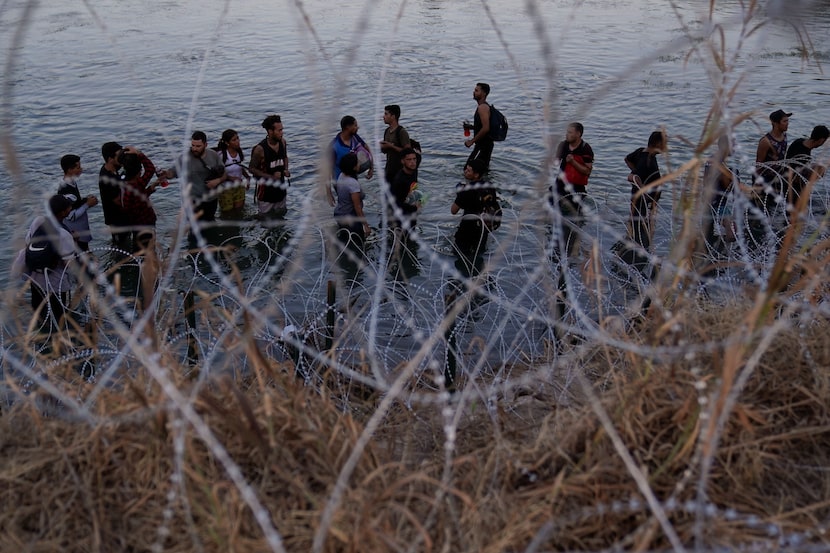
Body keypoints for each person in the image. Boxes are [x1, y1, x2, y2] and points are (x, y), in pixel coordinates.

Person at [11, 194, 76, 334]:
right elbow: (68, 264)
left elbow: (29, 243)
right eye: (68, 206)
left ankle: (41, 339)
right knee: (59, 317)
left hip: (36, 280)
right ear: (64, 212)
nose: (70, 208)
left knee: (39, 314)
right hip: (55, 284)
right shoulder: (64, 234)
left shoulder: (38, 221)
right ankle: (57, 344)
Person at [160, 131, 226, 222]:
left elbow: (225, 173)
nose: (194, 149)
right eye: (193, 145)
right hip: (192, 200)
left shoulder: (213, 155)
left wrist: (218, 181)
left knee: (210, 223)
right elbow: (173, 172)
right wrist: (166, 174)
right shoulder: (184, 158)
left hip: (211, 199)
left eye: (198, 146)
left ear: (206, 145)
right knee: (194, 228)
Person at [552, 122, 594, 257]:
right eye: (567, 132)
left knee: (574, 217)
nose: (567, 134)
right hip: (560, 185)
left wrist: (573, 162)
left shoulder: (586, 149)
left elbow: (587, 171)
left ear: (578, 134)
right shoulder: (563, 145)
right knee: (555, 212)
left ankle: (572, 240)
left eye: (570, 132)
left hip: (576, 188)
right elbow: (556, 162)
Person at [451, 159, 497, 275]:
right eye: (466, 168)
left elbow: (453, 210)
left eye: (469, 170)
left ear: (476, 174)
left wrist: (459, 194)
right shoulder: (489, 186)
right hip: (482, 230)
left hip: (466, 230)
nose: (465, 171)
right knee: (478, 256)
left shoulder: (466, 190)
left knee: (459, 257)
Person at [625, 130, 665, 250]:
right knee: (641, 233)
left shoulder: (641, 152)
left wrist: (635, 170)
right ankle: (637, 254)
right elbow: (632, 177)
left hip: (640, 201)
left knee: (635, 226)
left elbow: (627, 159)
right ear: (657, 144)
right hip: (643, 202)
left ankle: (632, 246)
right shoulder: (647, 162)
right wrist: (644, 189)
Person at [702, 134, 739, 260]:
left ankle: (713, 256)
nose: (735, 148)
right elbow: (730, 186)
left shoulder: (712, 159)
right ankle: (721, 258)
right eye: (732, 145)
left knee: (707, 238)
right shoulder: (721, 165)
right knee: (732, 234)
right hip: (718, 204)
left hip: (709, 203)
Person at [117, 148, 159, 253]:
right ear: (138, 172)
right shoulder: (137, 184)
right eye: (140, 169)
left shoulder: (124, 183)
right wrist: (139, 153)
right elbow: (150, 169)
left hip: (135, 224)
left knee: (138, 249)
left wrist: (149, 190)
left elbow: (135, 201)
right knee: (148, 251)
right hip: (145, 223)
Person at [249, 115, 290, 218]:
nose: (282, 133)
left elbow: (285, 157)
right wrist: (271, 176)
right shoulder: (260, 149)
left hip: (281, 190)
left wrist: (285, 169)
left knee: (281, 217)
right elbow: (251, 169)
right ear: (270, 131)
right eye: (279, 130)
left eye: (282, 130)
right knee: (265, 220)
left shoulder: (283, 142)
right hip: (265, 194)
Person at [58, 154, 98, 251]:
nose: (81, 169)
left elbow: (75, 204)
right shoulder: (65, 189)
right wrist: (87, 204)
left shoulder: (71, 183)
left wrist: (85, 200)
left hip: (80, 233)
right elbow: (70, 216)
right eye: (78, 167)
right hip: (76, 234)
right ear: (69, 170)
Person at [754, 109, 791, 211]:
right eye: (785, 121)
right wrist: (757, 185)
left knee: (774, 208)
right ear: (775, 123)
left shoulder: (784, 136)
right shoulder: (766, 141)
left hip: (778, 177)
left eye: (788, 121)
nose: (787, 124)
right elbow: (759, 163)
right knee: (762, 208)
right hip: (765, 179)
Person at [333, 152, 371, 249]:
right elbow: (357, 207)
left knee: (345, 241)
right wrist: (366, 225)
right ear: (353, 167)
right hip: (350, 218)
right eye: (357, 163)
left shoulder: (341, 175)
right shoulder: (352, 184)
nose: (359, 164)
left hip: (339, 213)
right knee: (358, 245)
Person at [786, 124, 829, 206]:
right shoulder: (804, 155)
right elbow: (797, 178)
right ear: (821, 140)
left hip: (787, 179)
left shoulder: (799, 141)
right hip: (792, 187)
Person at [99, 141, 131, 248]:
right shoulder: (107, 178)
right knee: (122, 245)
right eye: (119, 155)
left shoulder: (113, 169)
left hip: (120, 218)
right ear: (110, 159)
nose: (121, 157)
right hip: (117, 220)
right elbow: (118, 200)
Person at [215, 129, 250, 218]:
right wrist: (232, 178)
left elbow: (239, 167)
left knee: (239, 211)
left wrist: (247, 177)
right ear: (227, 143)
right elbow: (218, 173)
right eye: (234, 140)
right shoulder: (221, 155)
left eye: (237, 138)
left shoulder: (239, 152)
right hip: (225, 189)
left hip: (239, 187)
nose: (237, 141)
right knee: (227, 213)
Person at [330, 115, 373, 182]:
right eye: (355, 125)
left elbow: (367, 148)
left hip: (353, 179)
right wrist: (329, 192)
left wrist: (371, 168)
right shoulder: (334, 146)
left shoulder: (355, 137)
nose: (358, 127)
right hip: (340, 182)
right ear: (348, 127)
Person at [463, 82, 494, 172]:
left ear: (484, 93)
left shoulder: (482, 108)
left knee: (468, 169)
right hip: (485, 145)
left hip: (483, 146)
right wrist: (471, 127)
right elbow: (484, 126)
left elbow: (486, 128)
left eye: (477, 90)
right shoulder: (484, 106)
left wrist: (471, 141)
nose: (474, 92)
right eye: (474, 90)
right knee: (481, 171)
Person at [388, 147, 421, 230]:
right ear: (402, 161)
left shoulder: (414, 170)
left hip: (411, 212)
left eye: (414, 159)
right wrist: (415, 207)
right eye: (409, 160)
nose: (412, 162)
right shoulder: (399, 180)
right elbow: (395, 204)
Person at [379, 104, 411, 184]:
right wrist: (383, 147)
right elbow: (385, 151)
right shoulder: (387, 131)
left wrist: (391, 146)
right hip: (389, 169)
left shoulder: (401, 132)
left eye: (386, 114)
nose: (383, 116)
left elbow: (408, 152)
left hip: (400, 171)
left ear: (393, 116)